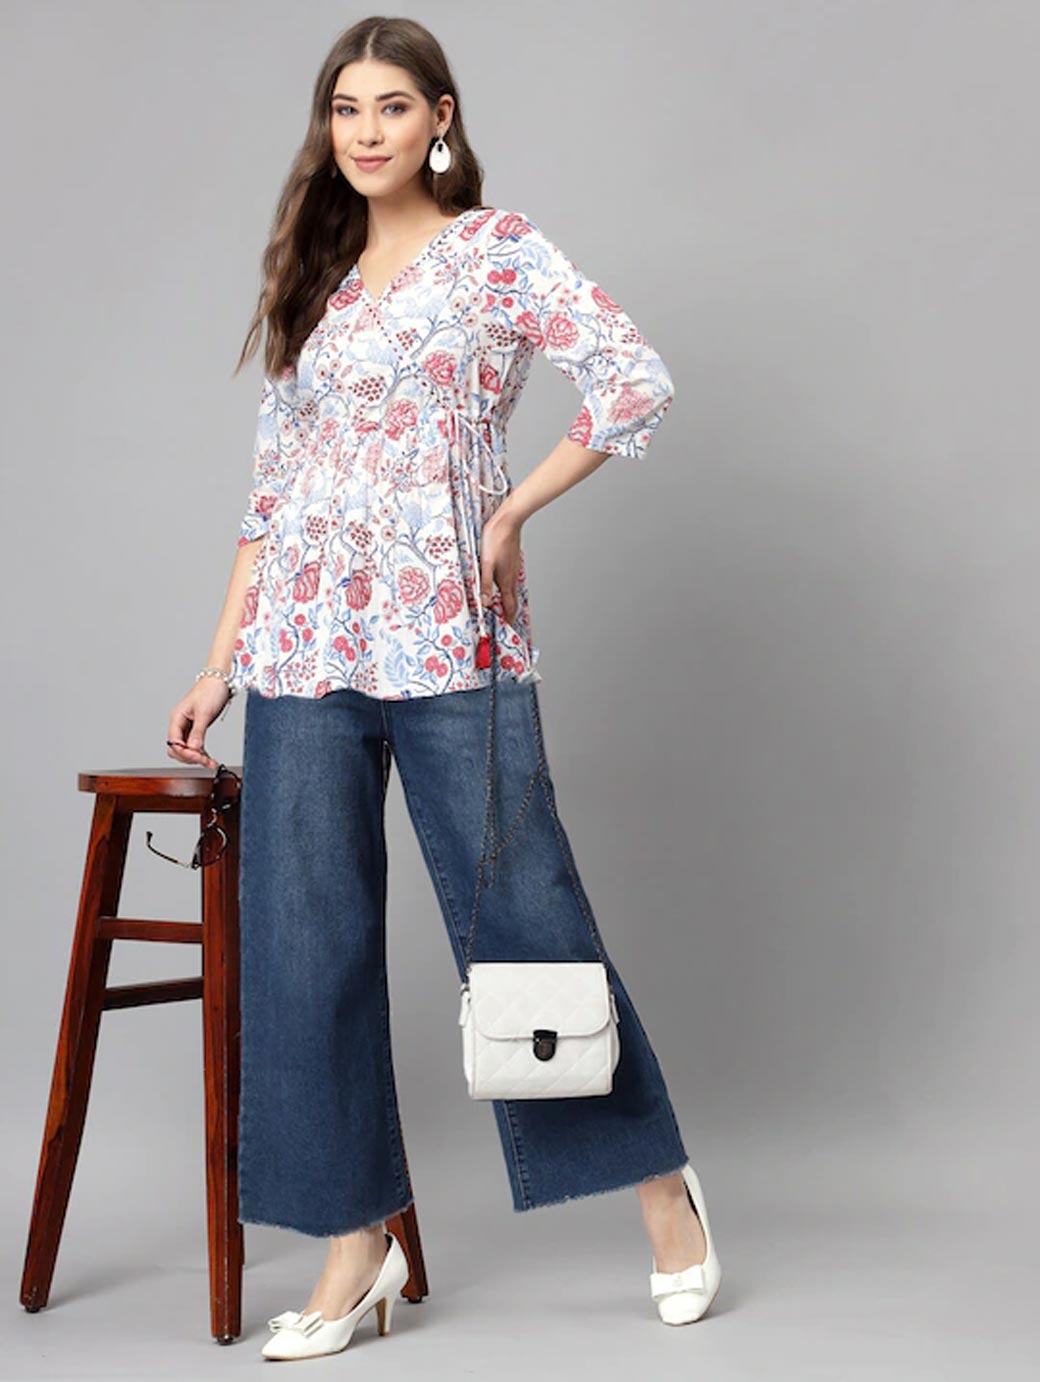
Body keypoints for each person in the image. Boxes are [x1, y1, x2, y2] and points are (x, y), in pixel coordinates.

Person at [165, 14, 722, 1361]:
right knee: (308, 942)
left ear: (440, 119)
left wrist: (513, 508)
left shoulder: (495, 254)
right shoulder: (318, 279)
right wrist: (220, 659)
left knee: (525, 919)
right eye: (345, 109)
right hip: (304, 653)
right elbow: (271, 495)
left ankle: (663, 1191)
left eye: (392, 107)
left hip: (453, 641)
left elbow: (632, 378)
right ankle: (352, 1249)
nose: (366, 132)